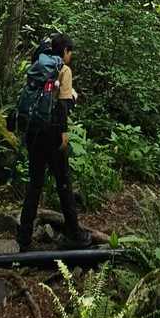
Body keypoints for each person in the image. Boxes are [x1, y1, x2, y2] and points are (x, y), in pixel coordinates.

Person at [16, 32, 93, 252]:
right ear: (65, 51)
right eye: (70, 52)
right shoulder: (63, 70)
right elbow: (62, 106)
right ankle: (75, 234)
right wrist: (64, 133)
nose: (70, 56)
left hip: (34, 131)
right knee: (64, 182)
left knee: (34, 184)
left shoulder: (39, 66)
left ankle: (24, 237)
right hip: (53, 133)